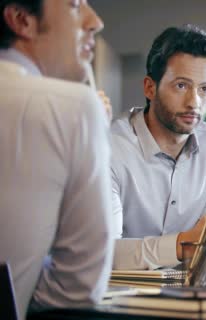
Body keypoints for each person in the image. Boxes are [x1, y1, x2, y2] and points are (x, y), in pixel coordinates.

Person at [110, 24, 206, 271]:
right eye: (181, 85)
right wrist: (185, 243)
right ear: (150, 88)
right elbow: (103, 253)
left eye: (204, 89)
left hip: (188, 298)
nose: (194, 102)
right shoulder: (108, 145)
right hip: (115, 301)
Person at [0, 0, 113, 318]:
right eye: (76, 5)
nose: (95, 21)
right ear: (22, 20)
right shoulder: (74, 107)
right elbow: (78, 287)